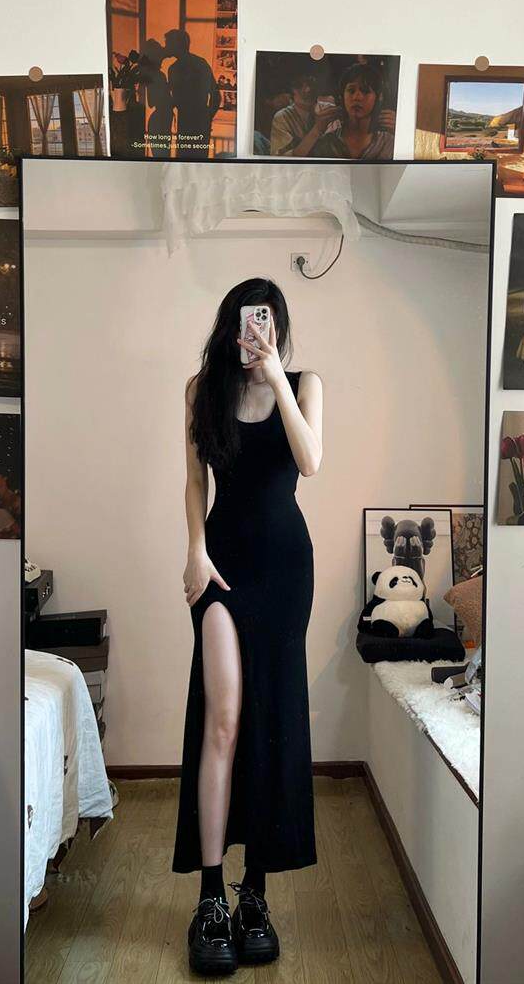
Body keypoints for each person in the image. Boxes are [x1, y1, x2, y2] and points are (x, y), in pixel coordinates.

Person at [174, 279, 323, 975]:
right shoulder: (201, 390)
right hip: (222, 565)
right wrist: (194, 549)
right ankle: (211, 895)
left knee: (268, 719)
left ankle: (253, 893)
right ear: (229, 325)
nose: (256, 332)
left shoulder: (304, 383)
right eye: (246, 321)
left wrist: (276, 380)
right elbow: (194, 482)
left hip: (285, 570)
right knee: (224, 717)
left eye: (266, 323)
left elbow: (310, 461)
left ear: (277, 328)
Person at [310, 62, 395, 160]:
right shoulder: (327, 142)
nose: (356, 97)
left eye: (365, 91)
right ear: (342, 96)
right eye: (351, 91)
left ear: (379, 97)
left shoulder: (388, 143)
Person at [164, 28, 221, 159]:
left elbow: (175, 100)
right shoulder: (200, 64)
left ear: (176, 45)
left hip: (188, 123)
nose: (165, 47)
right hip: (198, 123)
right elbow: (216, 96)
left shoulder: (173, 69)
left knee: (185, 162)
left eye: (168, 43)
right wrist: (207, 117)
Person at [269, 70, 338, 157]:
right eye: (299, 85)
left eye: (311, 82)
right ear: (290, 90)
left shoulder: (329, 109)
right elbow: (281, 159)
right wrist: (317, 129)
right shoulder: (283, 117)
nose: (308, 90)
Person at [139, 39, 173, 158]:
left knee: (161, 159)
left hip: (160, 121)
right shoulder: (158, 76)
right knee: (162, 158)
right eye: (159, 53)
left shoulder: (154, 75)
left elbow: (151, 102)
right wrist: (167, 88)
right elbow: (152, 102)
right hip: (160, 122)